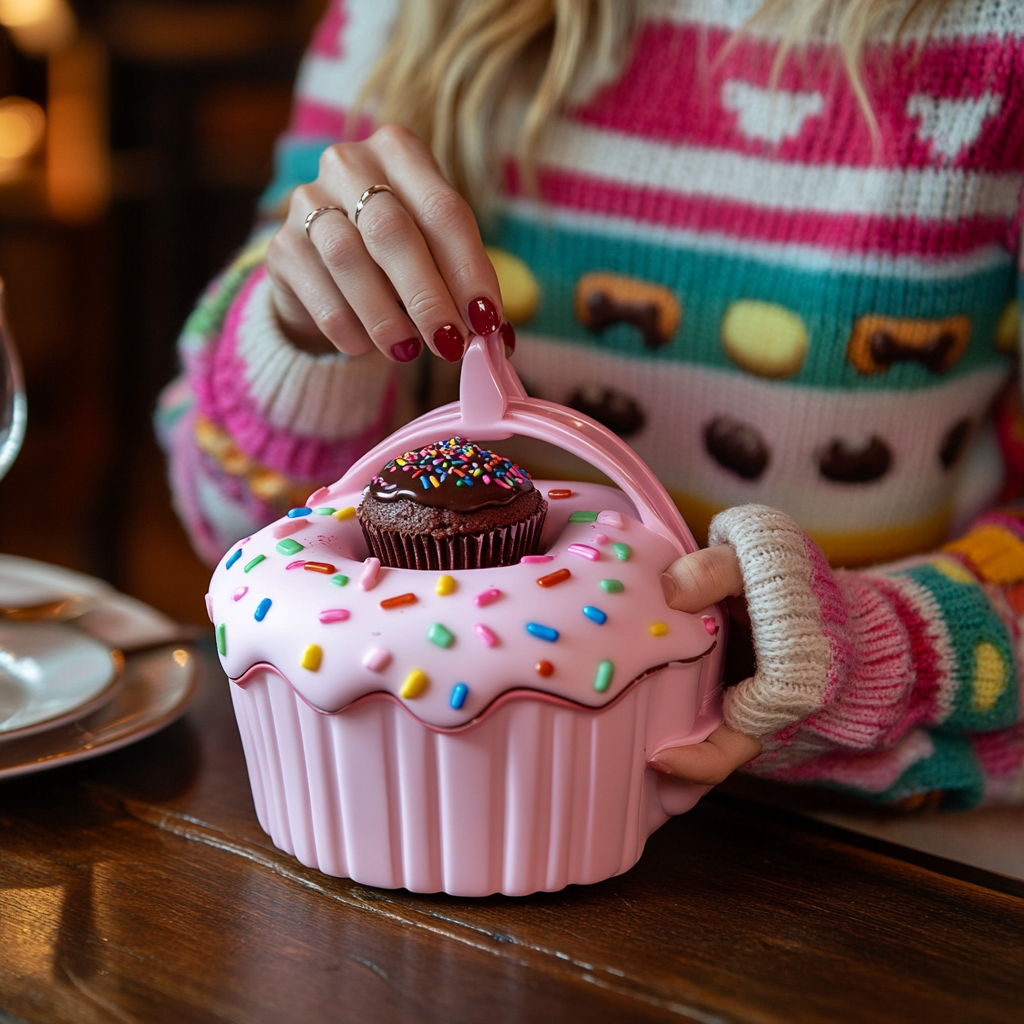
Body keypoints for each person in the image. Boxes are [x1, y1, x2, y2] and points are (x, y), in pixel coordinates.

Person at [158, 0, 1024, 808]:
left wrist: (864, 645)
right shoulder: (403, 17)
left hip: (868, 850)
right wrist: (300, 342)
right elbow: (232, 537)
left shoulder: (993, 34)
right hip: (438, 786)